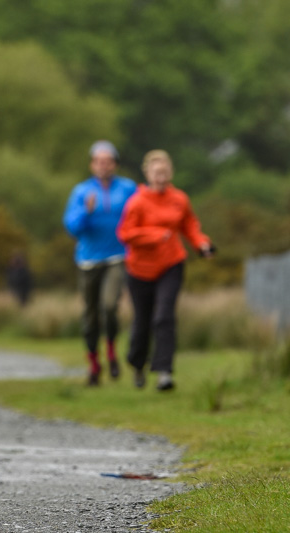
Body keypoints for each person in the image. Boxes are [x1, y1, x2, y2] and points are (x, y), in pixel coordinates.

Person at [117, 149, 214, 391]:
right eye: (156, 171)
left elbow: (190, 225)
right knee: (142, 321)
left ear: (170, 172)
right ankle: (138, 364)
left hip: (171, 264)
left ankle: (164, 372)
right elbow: (125, 234)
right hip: (139, 270)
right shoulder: (137, 202)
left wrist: (201, 243)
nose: (161, 175)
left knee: (164, 317)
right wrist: (155, 235)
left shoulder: (179, 199)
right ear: (147, 173)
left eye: (165, 171)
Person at [63, 140, 137, 386]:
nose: (104, 166)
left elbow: (141, 214)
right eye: (99, 162)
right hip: (88, 261)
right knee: (90, 317)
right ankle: (95, 365)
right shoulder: (82, 192)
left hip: (118, 257)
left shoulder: (128, 189)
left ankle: (113, 351)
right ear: (92, 165)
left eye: (108, 161)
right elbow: (72, 227)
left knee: (109, 306)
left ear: (115, 164)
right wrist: (86, 211)